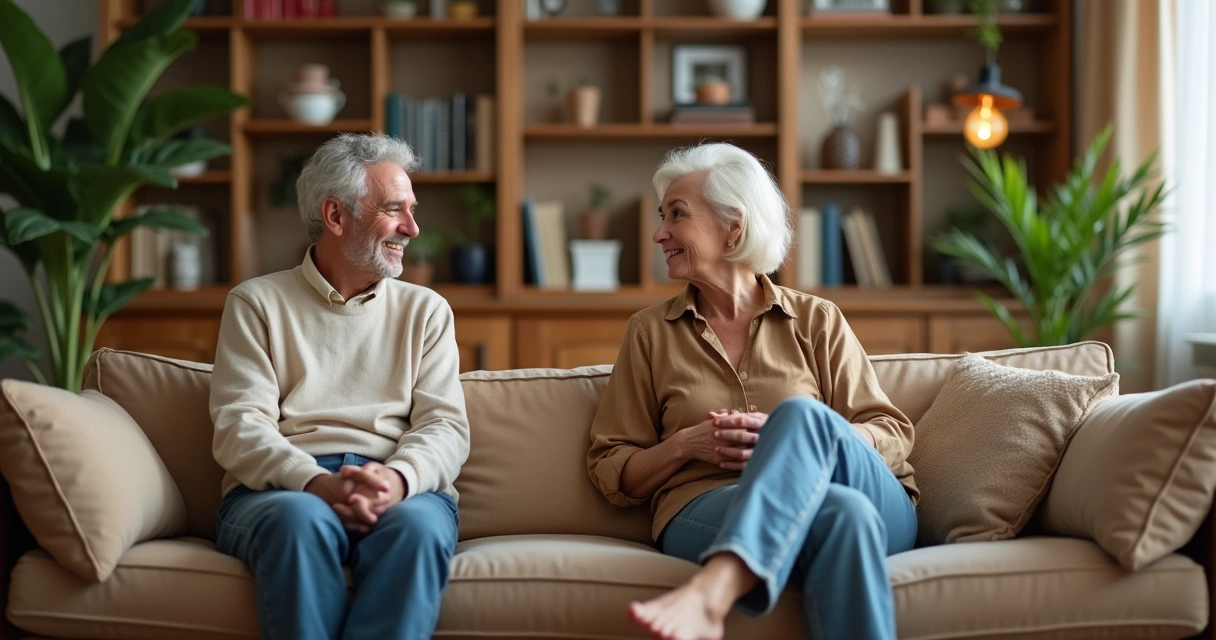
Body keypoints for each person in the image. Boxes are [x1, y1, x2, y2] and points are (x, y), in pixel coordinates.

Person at [587, 143, 918, 640]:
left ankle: (713, 590)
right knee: (843, 516)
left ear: (733, 226)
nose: (659, 234)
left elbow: (891, 431)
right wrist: (686, 445)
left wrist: (809, 442)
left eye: (677, 215)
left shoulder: (817, 320)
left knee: (802, 421)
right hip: (710, 503)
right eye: (661, 217)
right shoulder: (650, 333)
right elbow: (612, 469)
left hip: (871, 495)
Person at [210, 133, 469, 640]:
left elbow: (445, 426)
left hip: (399, 485)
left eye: (412, 210)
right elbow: (240, 426)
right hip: (285, 491)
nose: (412, 228)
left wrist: (398, 480)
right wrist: (314, 482)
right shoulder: (256, 303)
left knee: (418, 529)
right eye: (394, 209)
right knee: (300, 522)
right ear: (335, 216)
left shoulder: (427, 311)